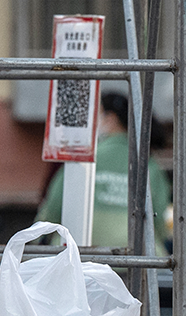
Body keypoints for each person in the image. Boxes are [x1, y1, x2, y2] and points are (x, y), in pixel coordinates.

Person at [36, 92, 172, 253]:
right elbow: (159, 216)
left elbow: (53, 208)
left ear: (110, 119)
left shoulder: (81, 159)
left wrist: (36, 242)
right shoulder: (147, 162)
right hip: (136, 257)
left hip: (81, 255)